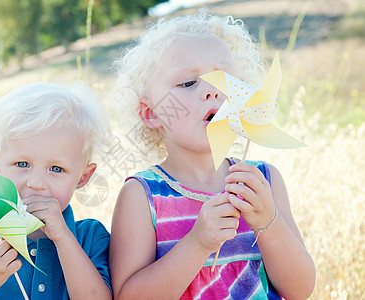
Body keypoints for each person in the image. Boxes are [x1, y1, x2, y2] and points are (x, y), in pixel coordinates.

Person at [109, 12, 316, 299]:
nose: (212, 92)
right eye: (188, 83)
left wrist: (268, 221)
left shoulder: (263, 182)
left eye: (226, 80)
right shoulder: (141, 196)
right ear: (151, 114)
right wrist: (198, 243)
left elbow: (300, 289)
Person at [0, 82, 112, 300]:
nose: (36, 183)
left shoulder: (91, 238)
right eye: (22, 164)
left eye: (56, 169)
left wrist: (63, 238)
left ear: (83, 176)